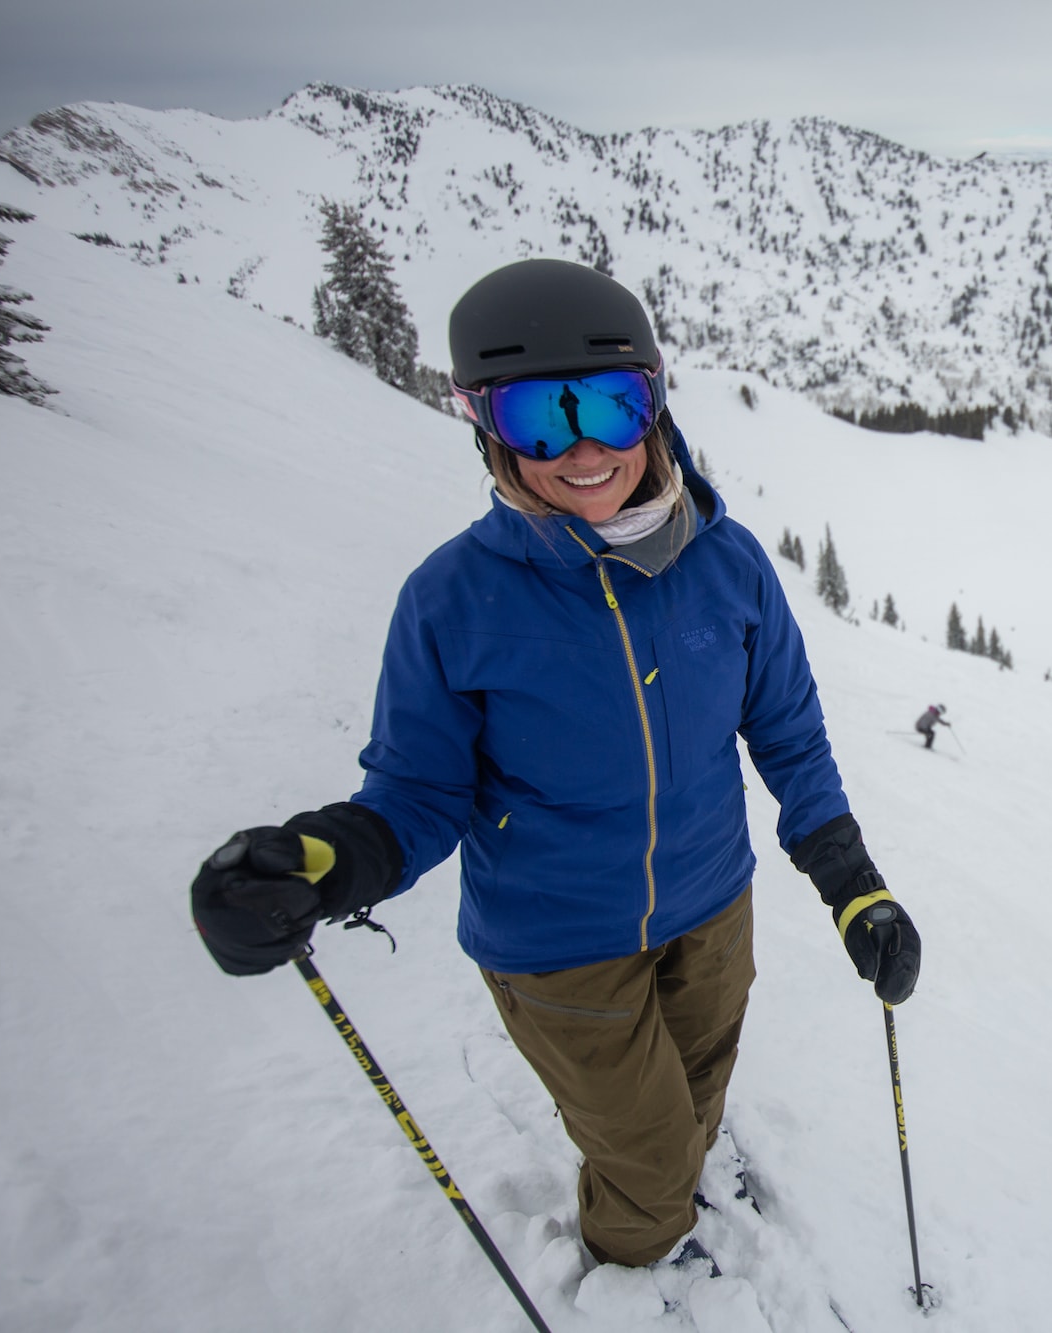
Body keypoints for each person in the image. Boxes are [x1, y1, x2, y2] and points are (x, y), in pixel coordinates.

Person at [188, 258, 921, 1271]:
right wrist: (319, 861)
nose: (582, 448)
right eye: (542, 417)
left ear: (653, 408)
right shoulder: (451, 600)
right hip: (559, 945)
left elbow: (788, 735)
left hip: (713, 905)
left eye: (610, 407)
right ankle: (640, 1260)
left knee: (698, 1086)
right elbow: (415, 792)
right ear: (488, 428)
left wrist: (854, 889)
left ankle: (681, 1167)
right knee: (647, 1162)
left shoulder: (731, 563)